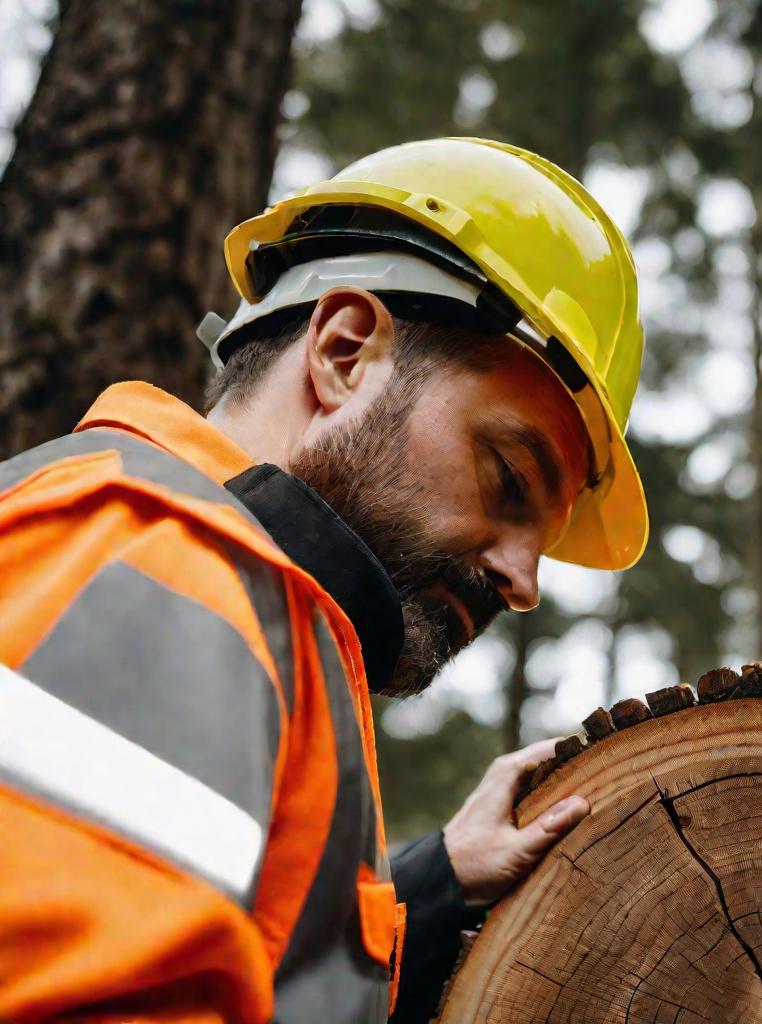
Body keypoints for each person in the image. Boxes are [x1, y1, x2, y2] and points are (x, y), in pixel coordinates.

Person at [0, 137, 648, 1023]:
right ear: (345, 352)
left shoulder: (244, 610)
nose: (524, 578)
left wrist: (437, 879)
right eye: (507, 477)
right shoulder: (159, 562)